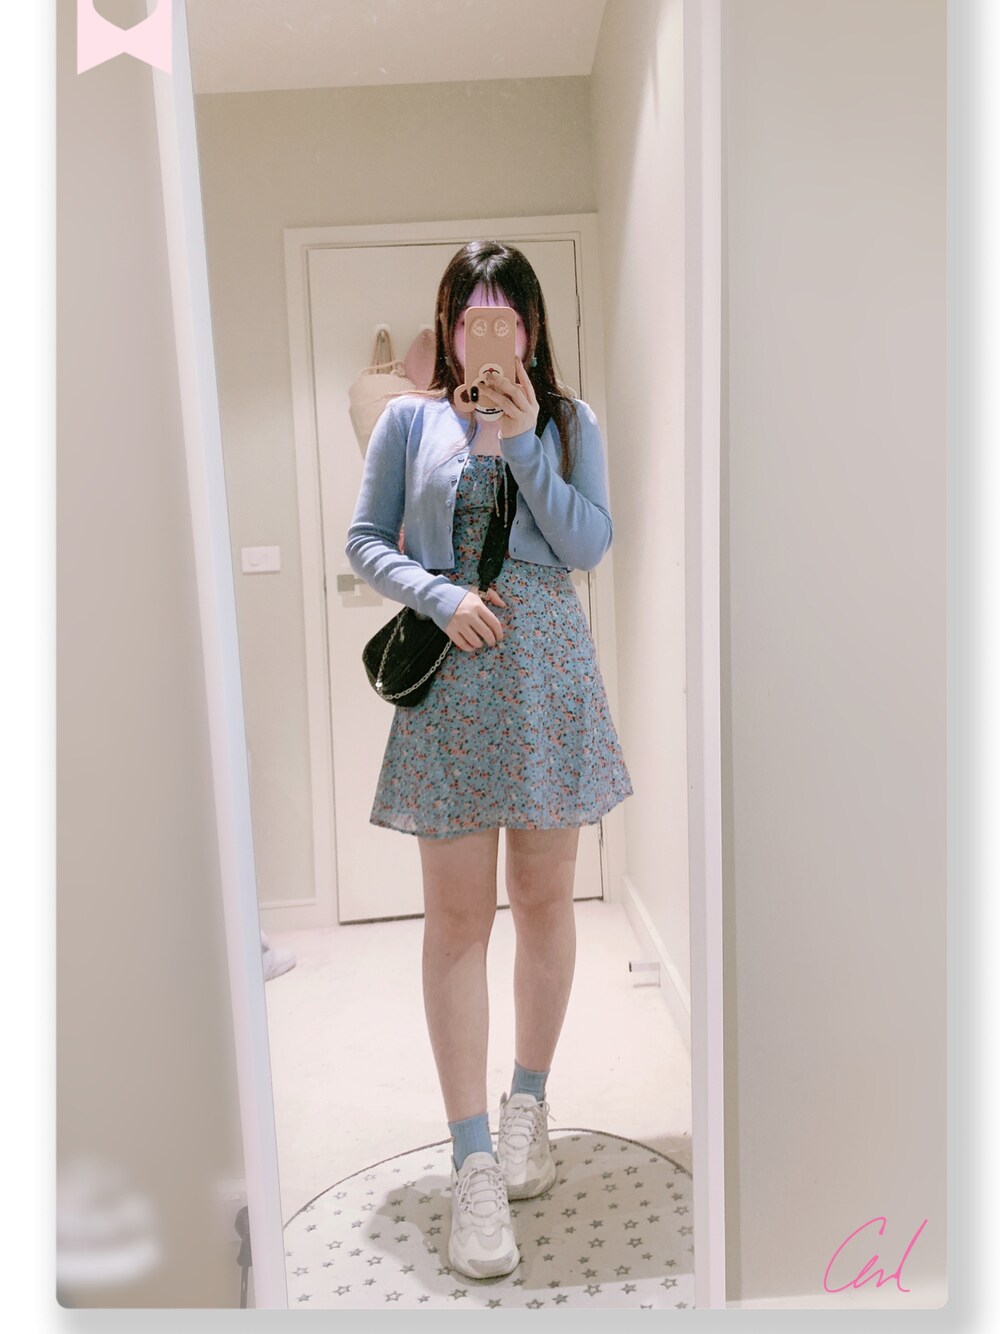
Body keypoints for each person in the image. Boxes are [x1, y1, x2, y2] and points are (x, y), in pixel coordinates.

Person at [345, 240, 633, 1281]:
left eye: (508, 317)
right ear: (450, 327)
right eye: (473, 318)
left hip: (549, 677)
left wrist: (522, 444)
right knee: (458, 921)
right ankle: (471, 1156)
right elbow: (366, 539)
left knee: (546, 902)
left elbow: (587, 544)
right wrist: (439, 596)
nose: (491, 334)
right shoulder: (407, 422)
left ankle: (527, 1106)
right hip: (455, 683)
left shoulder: (570, 420)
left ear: (533, 328)